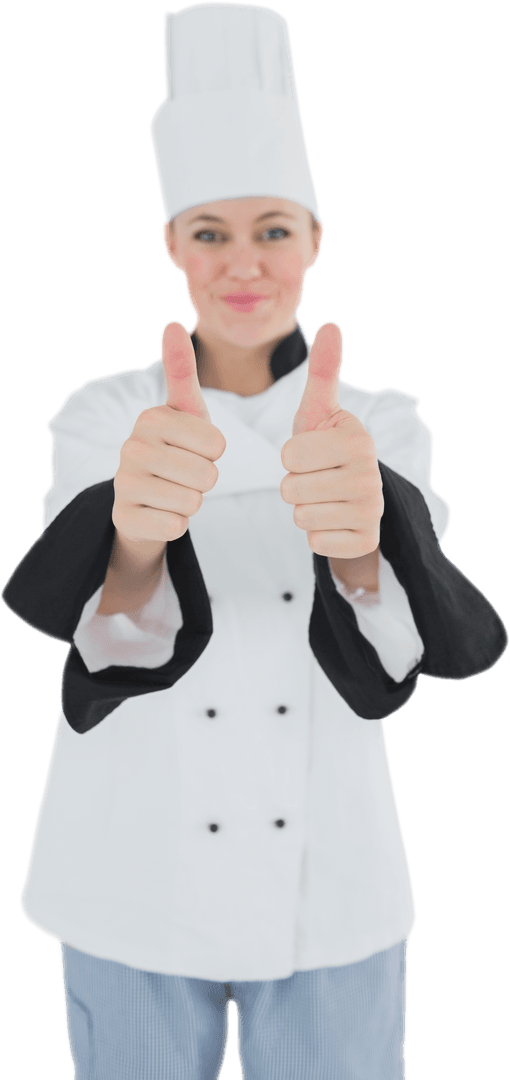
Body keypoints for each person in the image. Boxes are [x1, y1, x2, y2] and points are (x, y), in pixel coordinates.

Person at [2, 5, 507, 1079]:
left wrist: (361, 545)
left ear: (315, 238)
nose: (244, 264)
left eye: (274, 230)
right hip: (128, 872)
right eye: (210, 232)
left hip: (332, 885)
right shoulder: (103, 416)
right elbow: (90, 634)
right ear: (171, 244)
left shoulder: (383, 423)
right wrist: (134, 534)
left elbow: (400, 658)